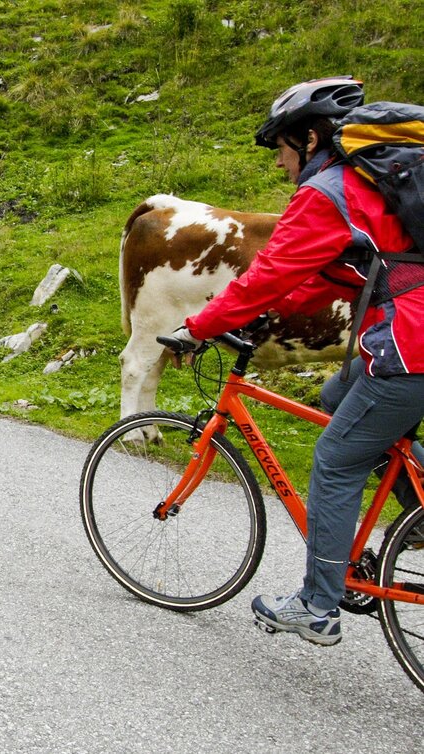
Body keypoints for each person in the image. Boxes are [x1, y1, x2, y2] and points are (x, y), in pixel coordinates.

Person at [164, 75, 421, 646]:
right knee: (336, 400)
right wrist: (260, 319)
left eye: (281, 148)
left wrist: (199, 327)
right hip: (406, 335)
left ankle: (318, 605)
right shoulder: (372, 185)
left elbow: (269, 273)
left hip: (409, 343)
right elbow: (327, 275)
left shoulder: (328, 190)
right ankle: (418, 519)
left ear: (309, 137)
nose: (280, 163)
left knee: (335, 457)